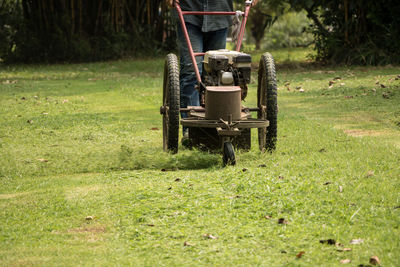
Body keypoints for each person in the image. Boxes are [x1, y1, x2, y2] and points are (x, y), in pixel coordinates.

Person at [167, 0, 259, 141]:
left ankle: (219, 121)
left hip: (219, 14)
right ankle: (191, 131)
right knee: (192, 71)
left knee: (218, 70)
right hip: (189, 12)